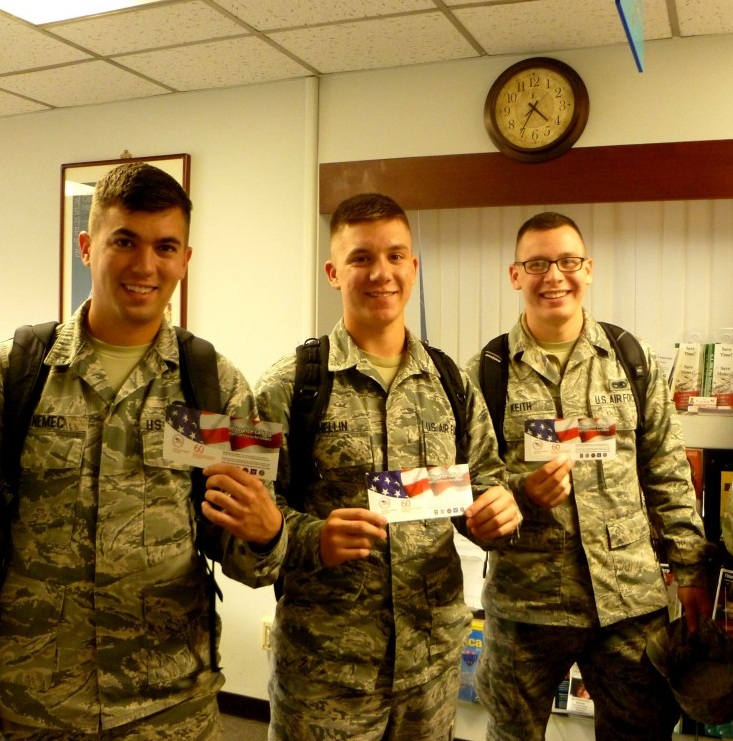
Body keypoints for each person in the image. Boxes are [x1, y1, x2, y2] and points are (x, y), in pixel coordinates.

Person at [0, 162, 285, 741]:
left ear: (185, 260)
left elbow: (239, 549)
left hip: (169, 710)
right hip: (32, 707)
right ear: (87, 247)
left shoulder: (213, 384)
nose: (145, 265)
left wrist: (266, 535)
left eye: (166, 246)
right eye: (124, 241)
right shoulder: (12, 376)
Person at [255, 192, 521, 741]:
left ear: (413, 266)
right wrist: (311, 539)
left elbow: (482, 483)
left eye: (396, 256)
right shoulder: (291, 387)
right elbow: (254, 522)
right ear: (333, 271)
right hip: (327, 669)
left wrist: (495, 511)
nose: (382, 273)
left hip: (432, 664)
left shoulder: (451, 381)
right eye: (361, 258)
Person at [465, 211, 712, 741]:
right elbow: (472, 485)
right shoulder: (487, 370)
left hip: (628, 602)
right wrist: (522, 493)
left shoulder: (630, 357)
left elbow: (666, 470)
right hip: (527, 605)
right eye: (537, 263)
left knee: (640, 732)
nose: (554, 276)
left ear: (589, 268)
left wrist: (690, 570)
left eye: (568, 261)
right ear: (516, 275)